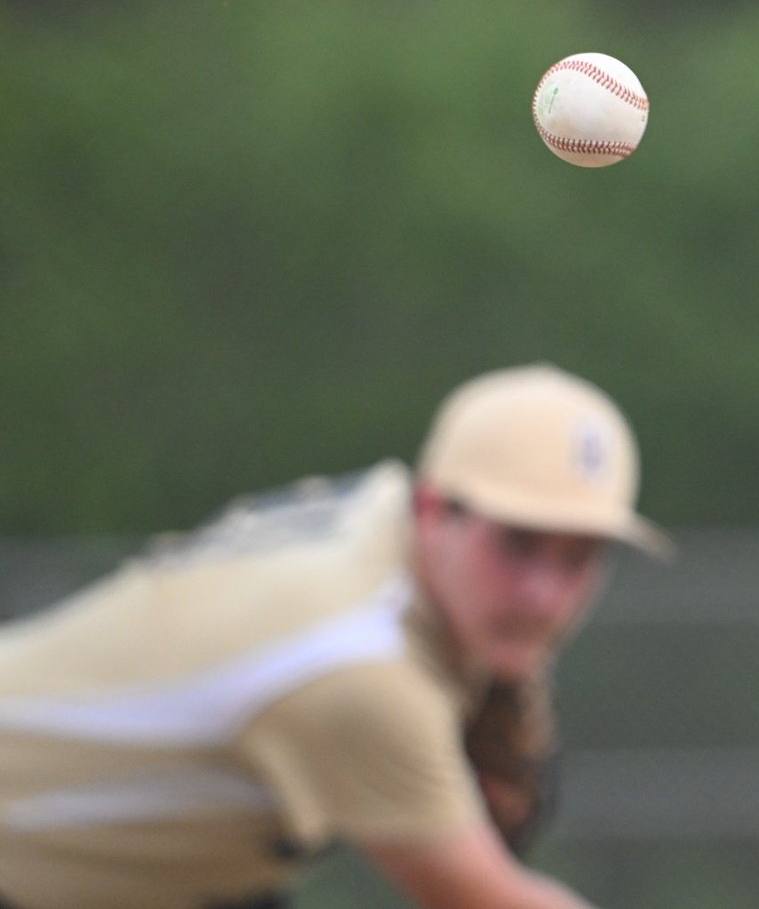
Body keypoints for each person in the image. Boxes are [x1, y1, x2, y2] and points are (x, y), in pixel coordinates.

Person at [0, 362, 671, 909]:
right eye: (519, 544)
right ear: (437, 510)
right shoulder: (361, 672)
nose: (544, 595)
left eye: (580, 556)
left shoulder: (378, 510)